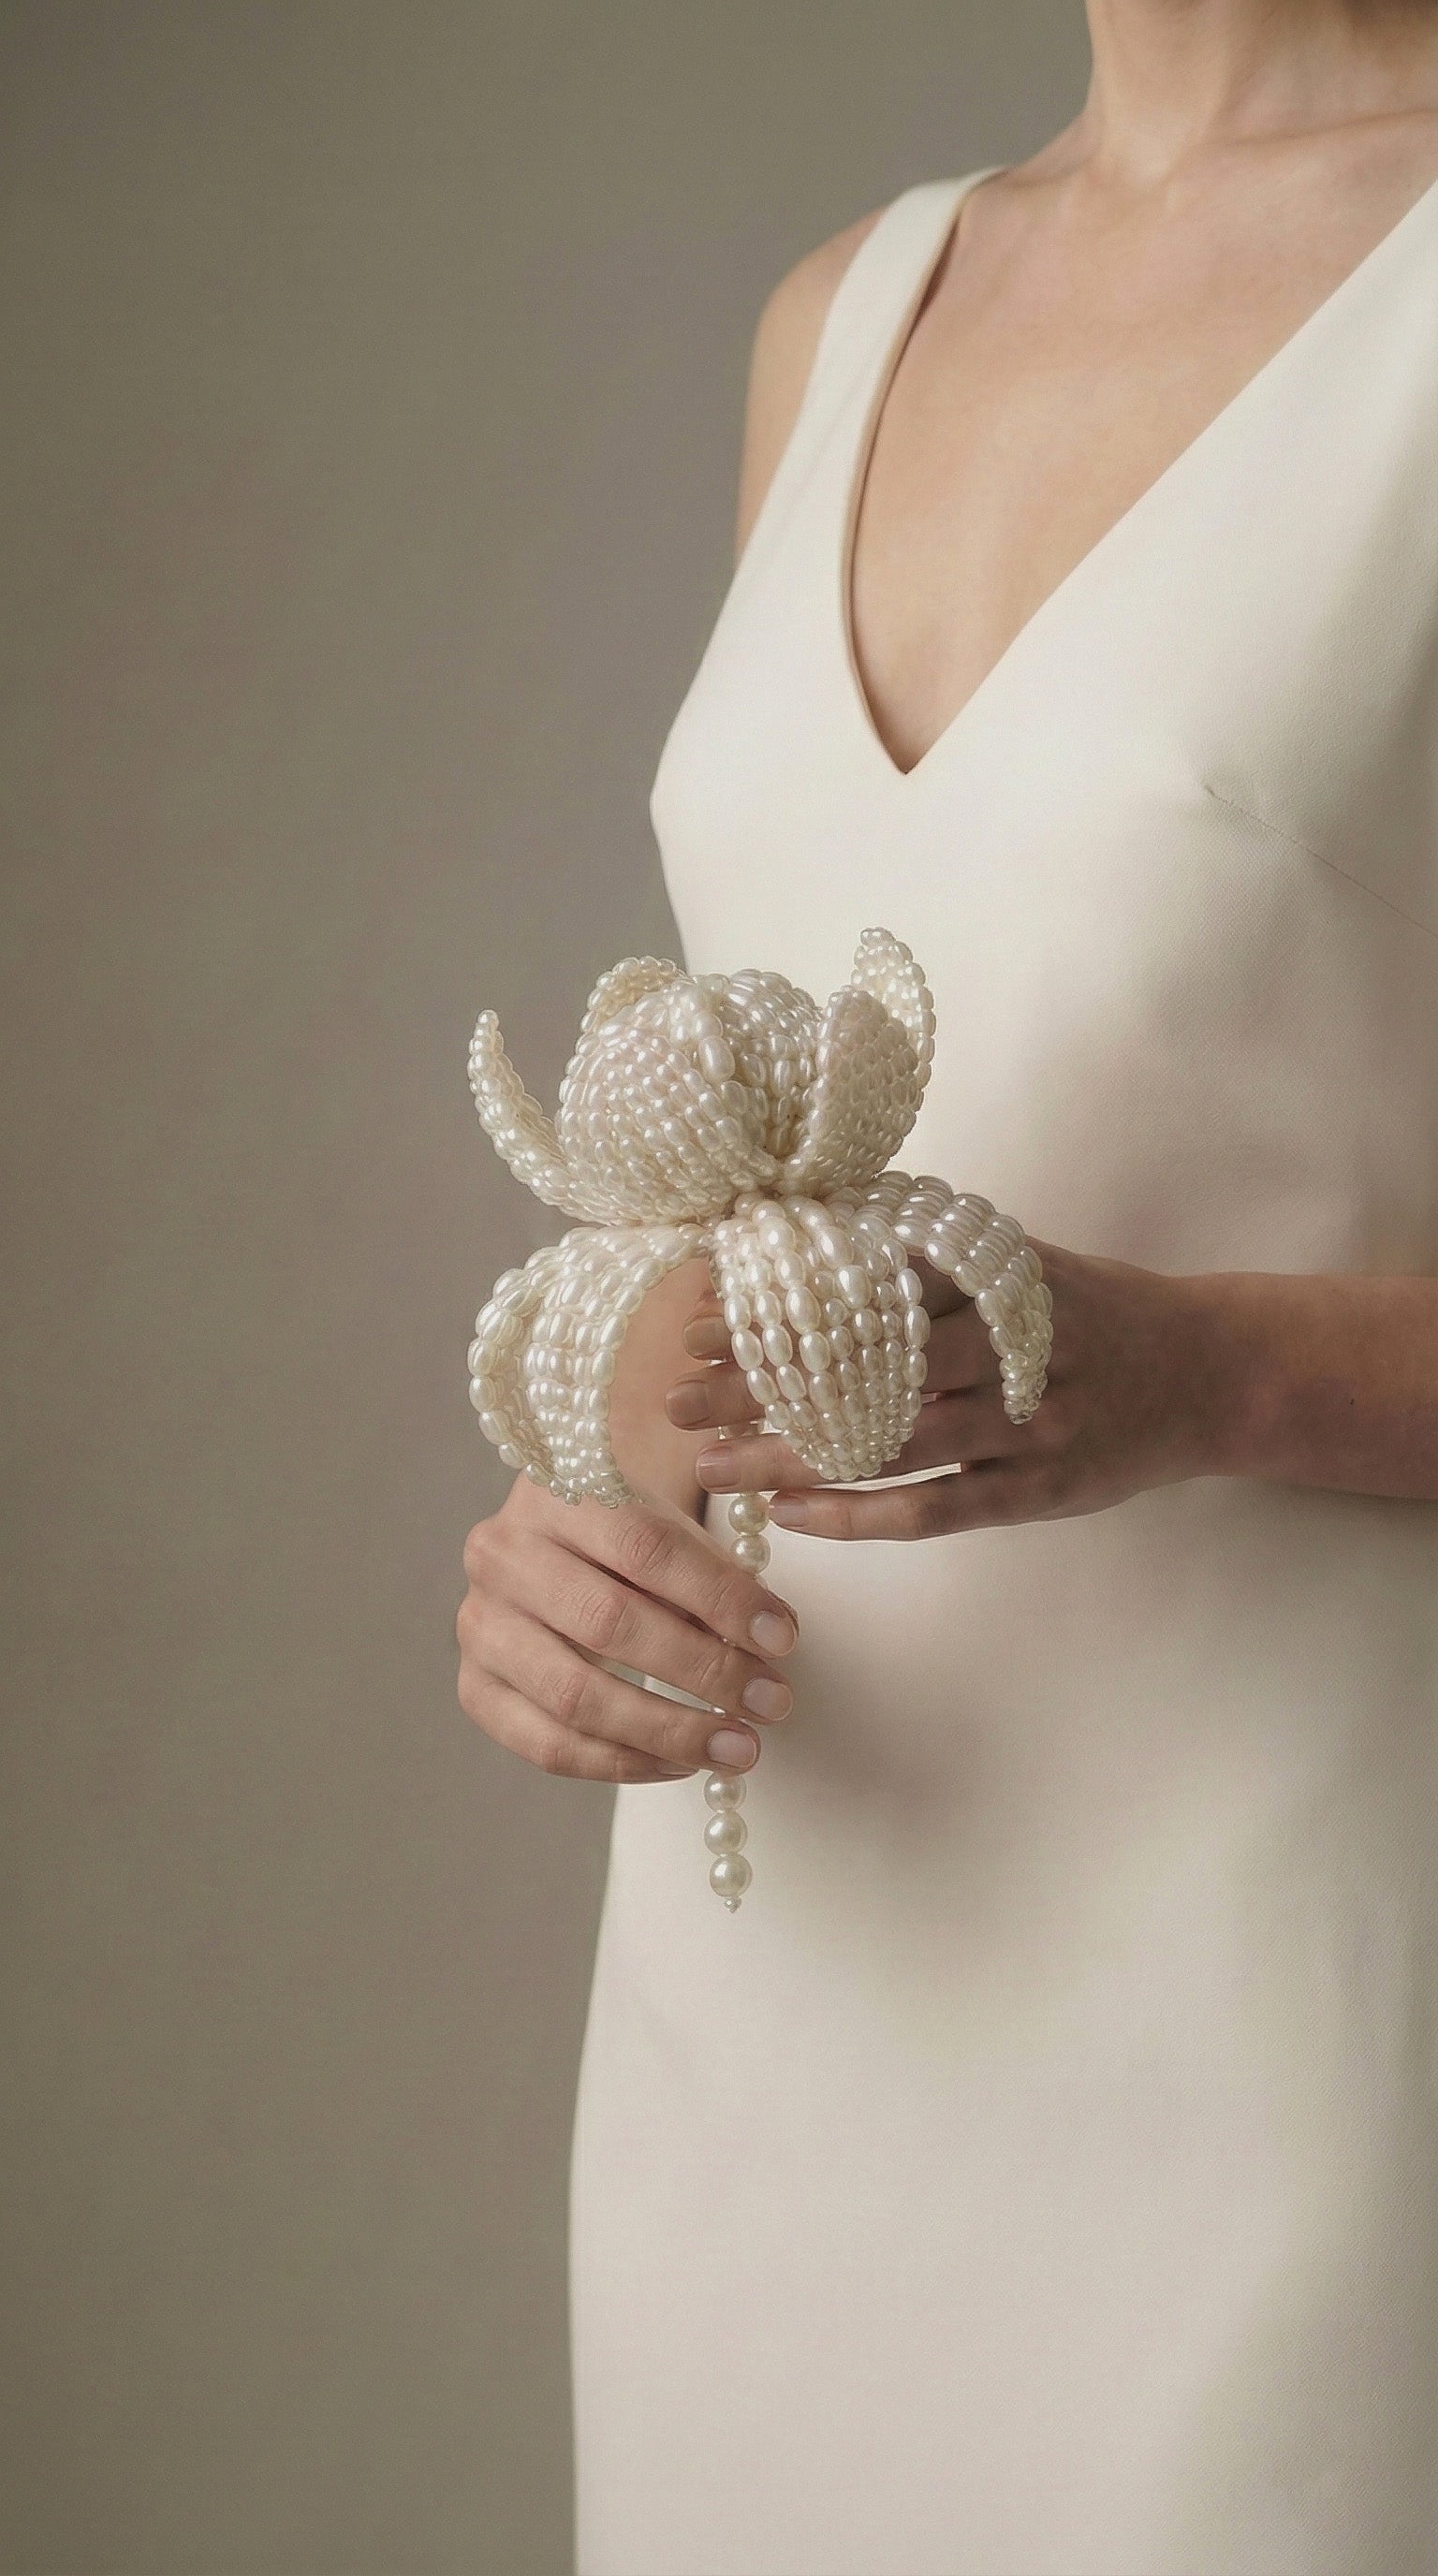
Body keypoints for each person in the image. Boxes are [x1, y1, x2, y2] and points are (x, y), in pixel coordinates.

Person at [457, 2, 1438, 2566]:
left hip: (1300, 2005)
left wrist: (1207, 1368)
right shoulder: (848, 310)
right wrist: (596, 1487)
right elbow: (764, 1178)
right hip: (771, 1991)